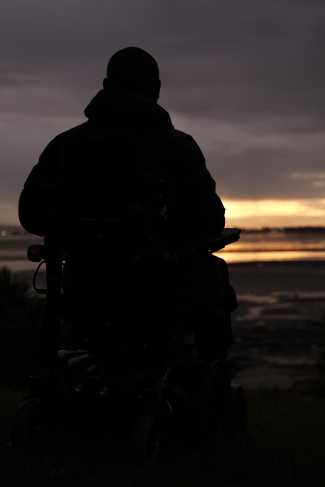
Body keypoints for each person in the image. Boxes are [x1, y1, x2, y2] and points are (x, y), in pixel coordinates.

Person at [18, 47, 234, 361]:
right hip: (161, 290)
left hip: (85, 287)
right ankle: (213, 375)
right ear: (157, 90)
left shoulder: (65, 145)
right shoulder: (177, 146)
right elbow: (211, 223)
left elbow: (31, 216)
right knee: (216, 271)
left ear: (105, 85)